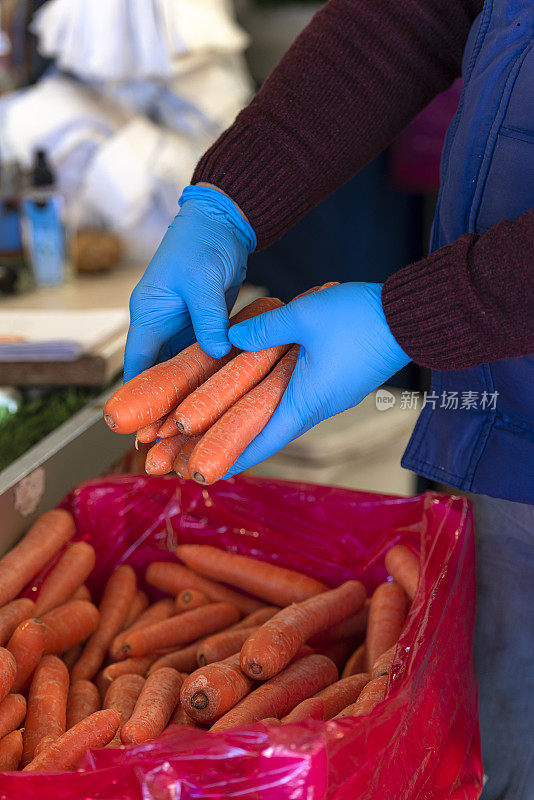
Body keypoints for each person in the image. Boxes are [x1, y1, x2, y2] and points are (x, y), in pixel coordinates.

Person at [124, 2, 534, 797]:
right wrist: (227, 203)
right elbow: (412, 15)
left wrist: (407, 315)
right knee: (498, 735)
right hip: (503, 405)